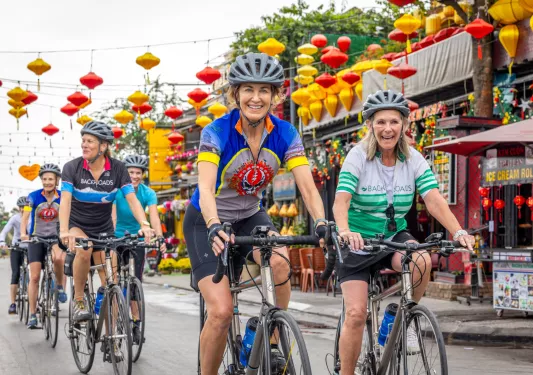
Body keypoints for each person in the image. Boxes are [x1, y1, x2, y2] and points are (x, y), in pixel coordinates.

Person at [184, 52, 329, 375]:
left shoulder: (285, 133)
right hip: (205, 220)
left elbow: (307, 187)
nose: (256, 97)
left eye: (264, 90)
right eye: (248, 89)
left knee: (279, 260)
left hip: (250, 214)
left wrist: (320, 222)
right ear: (235, 94)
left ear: (276, 96)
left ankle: (272, 337)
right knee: (221, 312)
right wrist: (212, 225)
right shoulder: (216, 132)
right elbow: (206, 189)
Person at [332, 89, 475, 375]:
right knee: (357, 313)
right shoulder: (357, 156)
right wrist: (345, 231)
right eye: (381, 122)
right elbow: (341, 201)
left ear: (404, 125)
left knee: (421, 259)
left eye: (394, 122)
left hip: (393, 235)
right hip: (358, 239)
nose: (388, 128)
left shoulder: (413, 159)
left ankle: (402, 316)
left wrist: (459, 231)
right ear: (371, 124)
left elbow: (433, 199)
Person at [59, 121, 154, 323]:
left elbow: (132, 199)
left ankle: (113, 341)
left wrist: (145, 224)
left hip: (103, 229)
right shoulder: (72, 168)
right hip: (77, 226)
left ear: (103, 146)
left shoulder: (118, 169)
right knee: (85, 249)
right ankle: (78, 302)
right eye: (83, 140)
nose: (84, 144)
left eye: (90, 141)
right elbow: (65, 200)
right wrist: (64, 231)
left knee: (112, 281)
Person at [111, 154, 166, 342]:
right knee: (115, 280)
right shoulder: (117, 190)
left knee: (135, 283)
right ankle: (114, 323)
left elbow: (154, 216)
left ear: (143, 174)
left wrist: (159, 237)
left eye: (138, 173)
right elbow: (112, 215)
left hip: (138, 238)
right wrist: (111, 234)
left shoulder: (148, 193)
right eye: (131, 172)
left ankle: (136, 323)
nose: (134, 176)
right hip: (117, 237)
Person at [20, 163, 65, 329]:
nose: (47, 182)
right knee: (34, 277)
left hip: (56, 237)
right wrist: (24, 233)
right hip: (37, 238)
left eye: (51, 179)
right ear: (41, 180)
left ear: (57, 180)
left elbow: (69, 214)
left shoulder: (62, 196)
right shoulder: (32, 196)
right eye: (45, 179)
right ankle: (33, 314)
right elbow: (25, 216)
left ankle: (59, 286)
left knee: (59, 259)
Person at [0, 196, 28, 315]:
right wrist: (2, 242)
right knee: (15, 273)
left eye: (25, 207)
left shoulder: (32, 217)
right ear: (18, 208)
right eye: (21, 207)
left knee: (33, 274)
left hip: (30, 248)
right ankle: (13, 304)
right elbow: (5, 231)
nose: (23, 209)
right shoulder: (15, 218)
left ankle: (34, 302)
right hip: (16, 248)